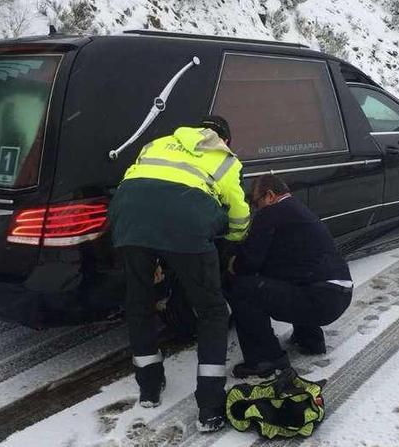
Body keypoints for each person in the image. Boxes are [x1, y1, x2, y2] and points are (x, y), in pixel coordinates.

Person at [109, 115, 250, 433]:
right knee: (212, 312)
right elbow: (239, 214)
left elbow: (145, 185)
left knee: (139, 304)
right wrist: (233, 238)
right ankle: (210, 408)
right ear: (224, 138)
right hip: (186, 224)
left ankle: (149, 388)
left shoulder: (158, 143)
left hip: (129, 217)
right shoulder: (224, 157)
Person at [227, 175, 352, 378]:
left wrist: (233, 262)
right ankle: (310, 340)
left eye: (255, 202)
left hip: (319, 299)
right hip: (340, 294)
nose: (254, 209)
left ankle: (265, 359)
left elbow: (248, 264)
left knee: (243, 289)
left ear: (269, 195)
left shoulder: (271, 213)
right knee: (292, 280)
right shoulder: (297, 210)